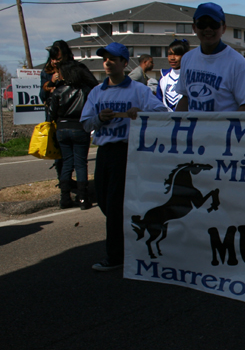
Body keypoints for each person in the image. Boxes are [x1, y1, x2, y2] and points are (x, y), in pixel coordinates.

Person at [81, 42, 168, 272]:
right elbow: (85, 123)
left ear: (123, 62)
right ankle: (129, 238)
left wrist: (141, 112)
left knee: (114, 203)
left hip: (126, 151)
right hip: (104, 152)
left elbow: (161, 112)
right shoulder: (97, 92)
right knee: (104, 201)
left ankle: (115, 255)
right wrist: (99, 118)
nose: (108, 63)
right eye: (105, 59)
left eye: (113, 59)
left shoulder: (138, 90)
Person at [174, 2, 245, 112]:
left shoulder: (238, 63)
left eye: (214, 24)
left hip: (224, 129)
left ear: (223, 28)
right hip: (194, 129)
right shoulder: (187, 58)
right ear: (194, 27)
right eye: (202, 24)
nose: (208, 29)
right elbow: (185, 98)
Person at [39, 40, 91, 184]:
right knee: (60, 156)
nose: (55, 62)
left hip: (76, 118)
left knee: (78, 160)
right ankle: (64, 184)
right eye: (53, 59)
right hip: (56, 118)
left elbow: (89, 86)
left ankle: (75, 188)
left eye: (59, 59)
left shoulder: (76, 69)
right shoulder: (47, 72)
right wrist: (50, 84)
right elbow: (42, 96)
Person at [49, 61, 98, 210]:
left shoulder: (58, 91)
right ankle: (83, 197)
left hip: (62, 128)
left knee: (67, 163)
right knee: (81, 163)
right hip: (80, 127)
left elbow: (51, 113)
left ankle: (64, 198)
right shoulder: (86, 90)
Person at [156, 39, 190, 111]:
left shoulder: (191, 76)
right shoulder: (164, 76)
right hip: (166, 120)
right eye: (170, 54)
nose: (172, 58)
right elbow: (158, 101)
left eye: (177, 54)